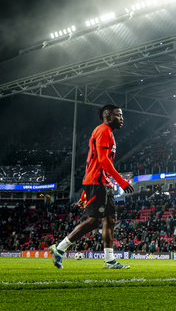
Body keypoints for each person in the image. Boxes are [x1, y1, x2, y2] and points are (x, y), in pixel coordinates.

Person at [49, 105, 135, 269]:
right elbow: (102, 160)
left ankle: (109, 261)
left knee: (110, 220)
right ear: (108, 117)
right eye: (118, 115)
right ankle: (60, 248)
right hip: (98, 182)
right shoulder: (103, 130)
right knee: (95, 221)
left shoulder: (107, 132)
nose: (121, 118)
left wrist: (84, 193)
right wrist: (122, 181)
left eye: (122, 115)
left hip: (101, 182)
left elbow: (92, 163)